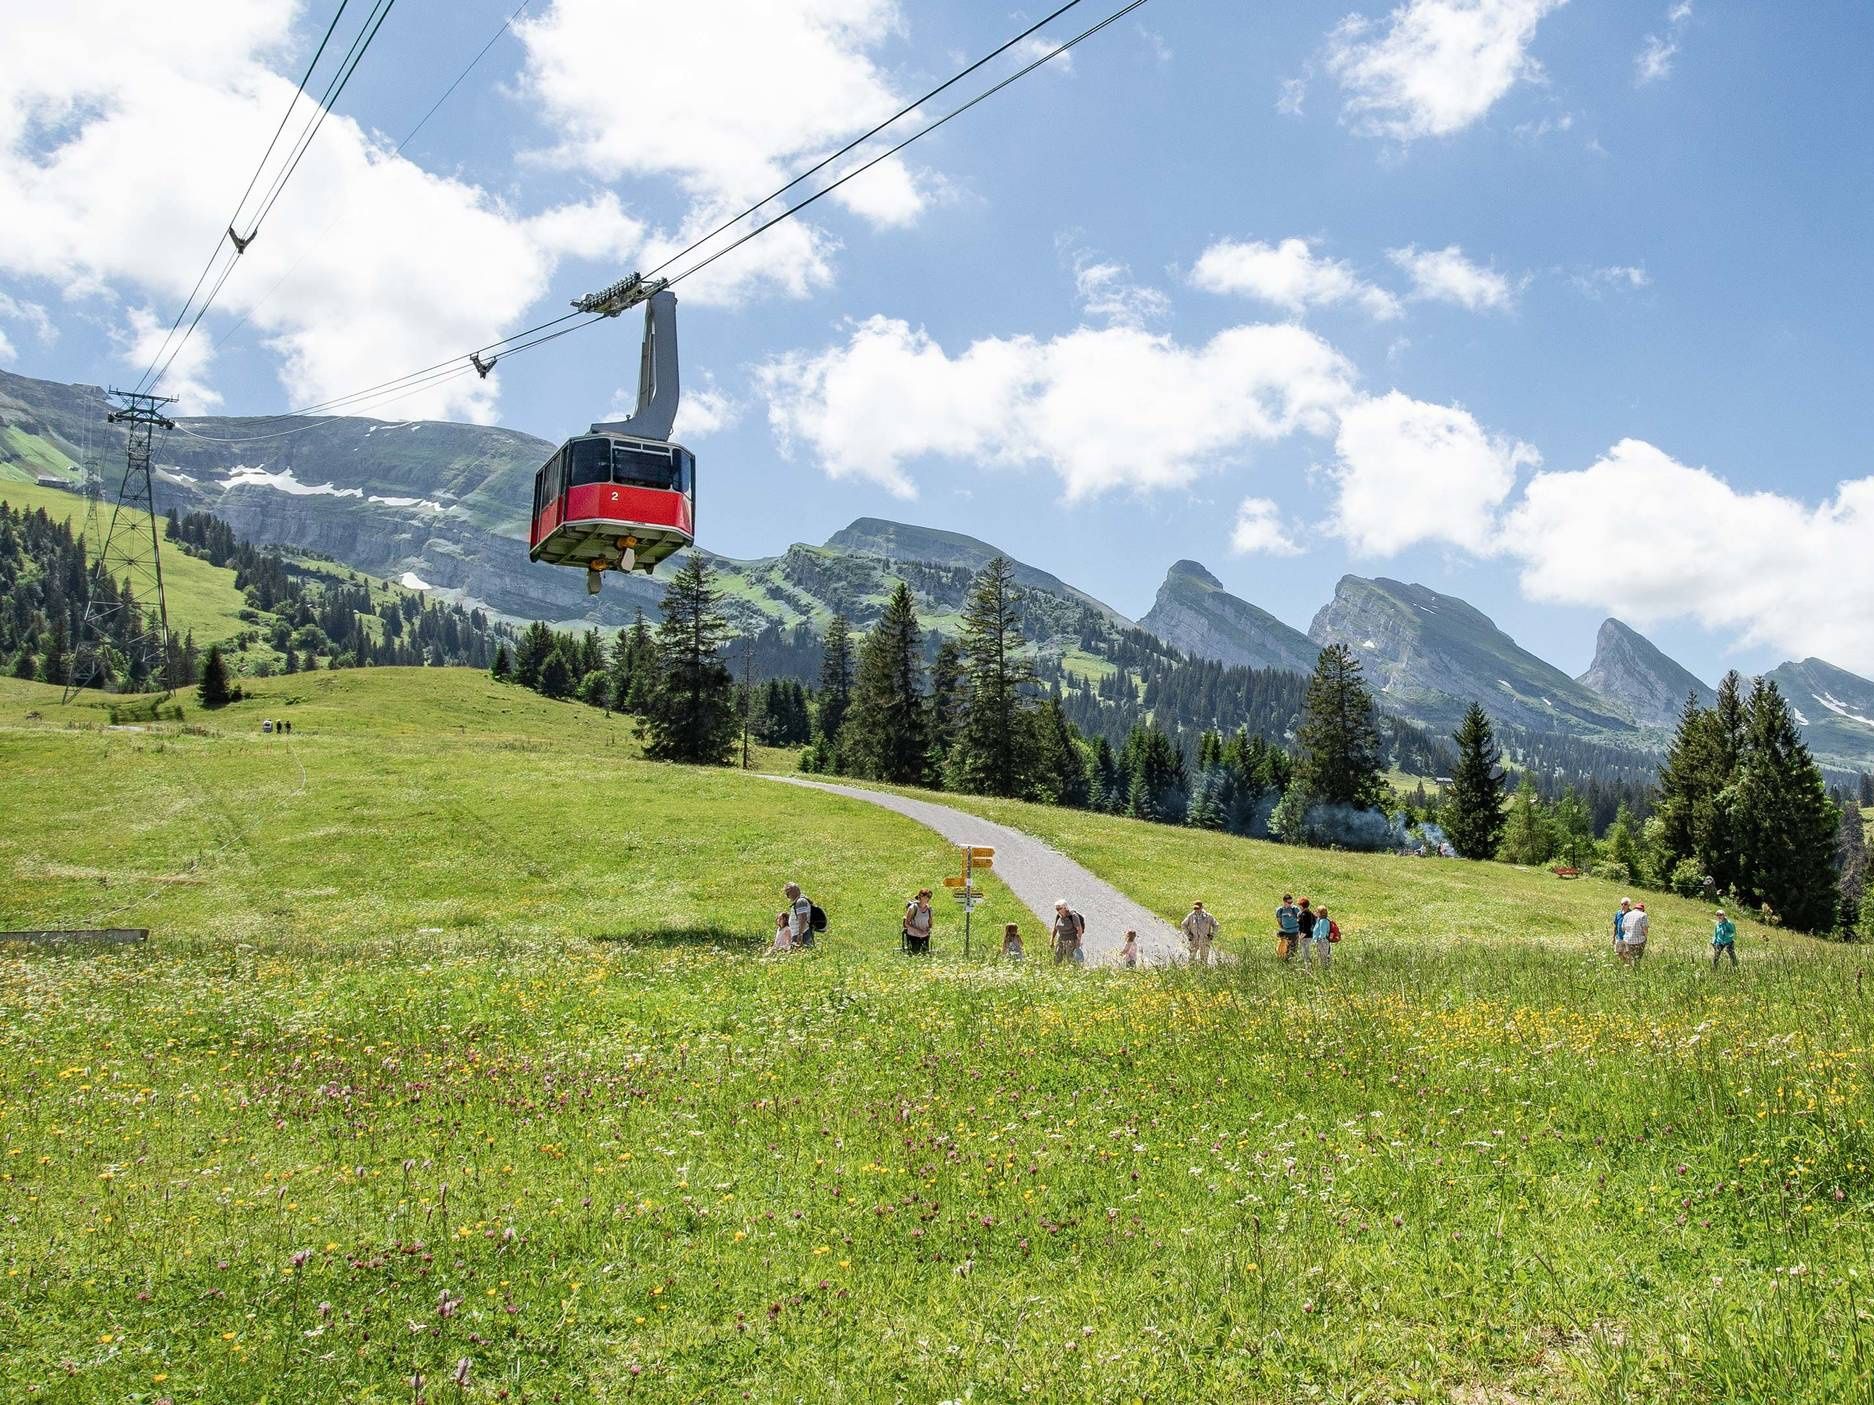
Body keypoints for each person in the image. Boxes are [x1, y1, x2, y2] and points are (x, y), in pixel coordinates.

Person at [1180, 899, 1218, 966]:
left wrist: (1212, 935)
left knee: (1204, 960)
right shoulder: (1190, 916)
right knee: (1191, 958)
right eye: (1195, 908)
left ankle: (1203, 971)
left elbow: (1216, 925)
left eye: (1198, 908)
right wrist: (1189, 935)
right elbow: (1183, 924)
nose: (1196, 910)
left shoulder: (1208, 916)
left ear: (1202, 907)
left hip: (1205, 940)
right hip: (1194, 940)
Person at [1051, 900, 1085, 966]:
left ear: (1065, 908)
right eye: (1056, 909)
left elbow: (1079, 929)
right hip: (1060, 940)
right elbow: (1055, 928)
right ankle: (1056, 970)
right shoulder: (1058, 916)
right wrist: (1051, 939)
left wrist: (1078, 942)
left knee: (1070, 959)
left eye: (1059, 908)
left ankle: (1075, 971)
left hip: (1071, 941)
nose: (1057, 910)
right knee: (1057, 957)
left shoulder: (1073, 916)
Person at [1303, 904, 1336, 970]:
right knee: (1321, 958)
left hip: (1322, 942)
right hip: (1321, 942)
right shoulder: (1320, 920)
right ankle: (1324, 970)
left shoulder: (1323, 921)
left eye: (1317, 911)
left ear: (1320, 913)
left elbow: (1323, 933)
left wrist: (1317, 940)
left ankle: (1325, 971)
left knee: (1323, 959)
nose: (1315, 913)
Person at [903, 889, 934, 956]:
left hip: (925, 936)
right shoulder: (913, 908)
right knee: (915, 954)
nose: (927, 898)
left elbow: (930, 923)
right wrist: (918, 931)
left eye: (928, 897)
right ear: (920, 896)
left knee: (925, 955)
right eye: (925, 896)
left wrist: (927, 930)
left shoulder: (929, 909)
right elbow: (906, 924)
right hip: (913, 936)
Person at [784, 882, 814, 949]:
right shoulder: (799, 901)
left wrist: (800, 934)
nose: (787, 896)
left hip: (802, 934)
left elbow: (803, 918)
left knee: (803, 952)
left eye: (788, 893)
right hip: (800, 933)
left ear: (793, 891)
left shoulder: (800, 902)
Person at [1276, 893, 1301, 960]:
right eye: (1289, 902)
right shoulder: (1280, 910)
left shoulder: (1295, 909)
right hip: (1285, 932)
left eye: (1291, 902)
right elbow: (1279, 920)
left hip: (1294, 931)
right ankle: (1284, 961)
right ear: (1284, 902)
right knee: (1284, 949)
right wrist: (1282, 928)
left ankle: (1292, 961)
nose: (1290, 904)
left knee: (1293, 949)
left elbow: (1301, 919)